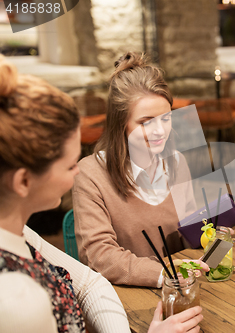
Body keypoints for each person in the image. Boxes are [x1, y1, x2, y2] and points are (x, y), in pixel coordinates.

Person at [0, 55, 207, 333]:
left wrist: (209, 228)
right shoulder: (18, 299)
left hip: (175, 292)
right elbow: (99, 258)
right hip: (138, 303)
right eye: (69, 163)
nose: (76, 170)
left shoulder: (26, 237)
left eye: (167, 118)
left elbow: (88, 283)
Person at [72, 52, 198, 288]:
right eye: (146, 122)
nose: (160, 131)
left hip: (180, 287)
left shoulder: (177, 162)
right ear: (121, 123)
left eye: (166, 118)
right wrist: (163, 274)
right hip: (130, 300)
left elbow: (189, 232)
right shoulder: (90, 174)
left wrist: (211, 234)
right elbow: (99, 255)